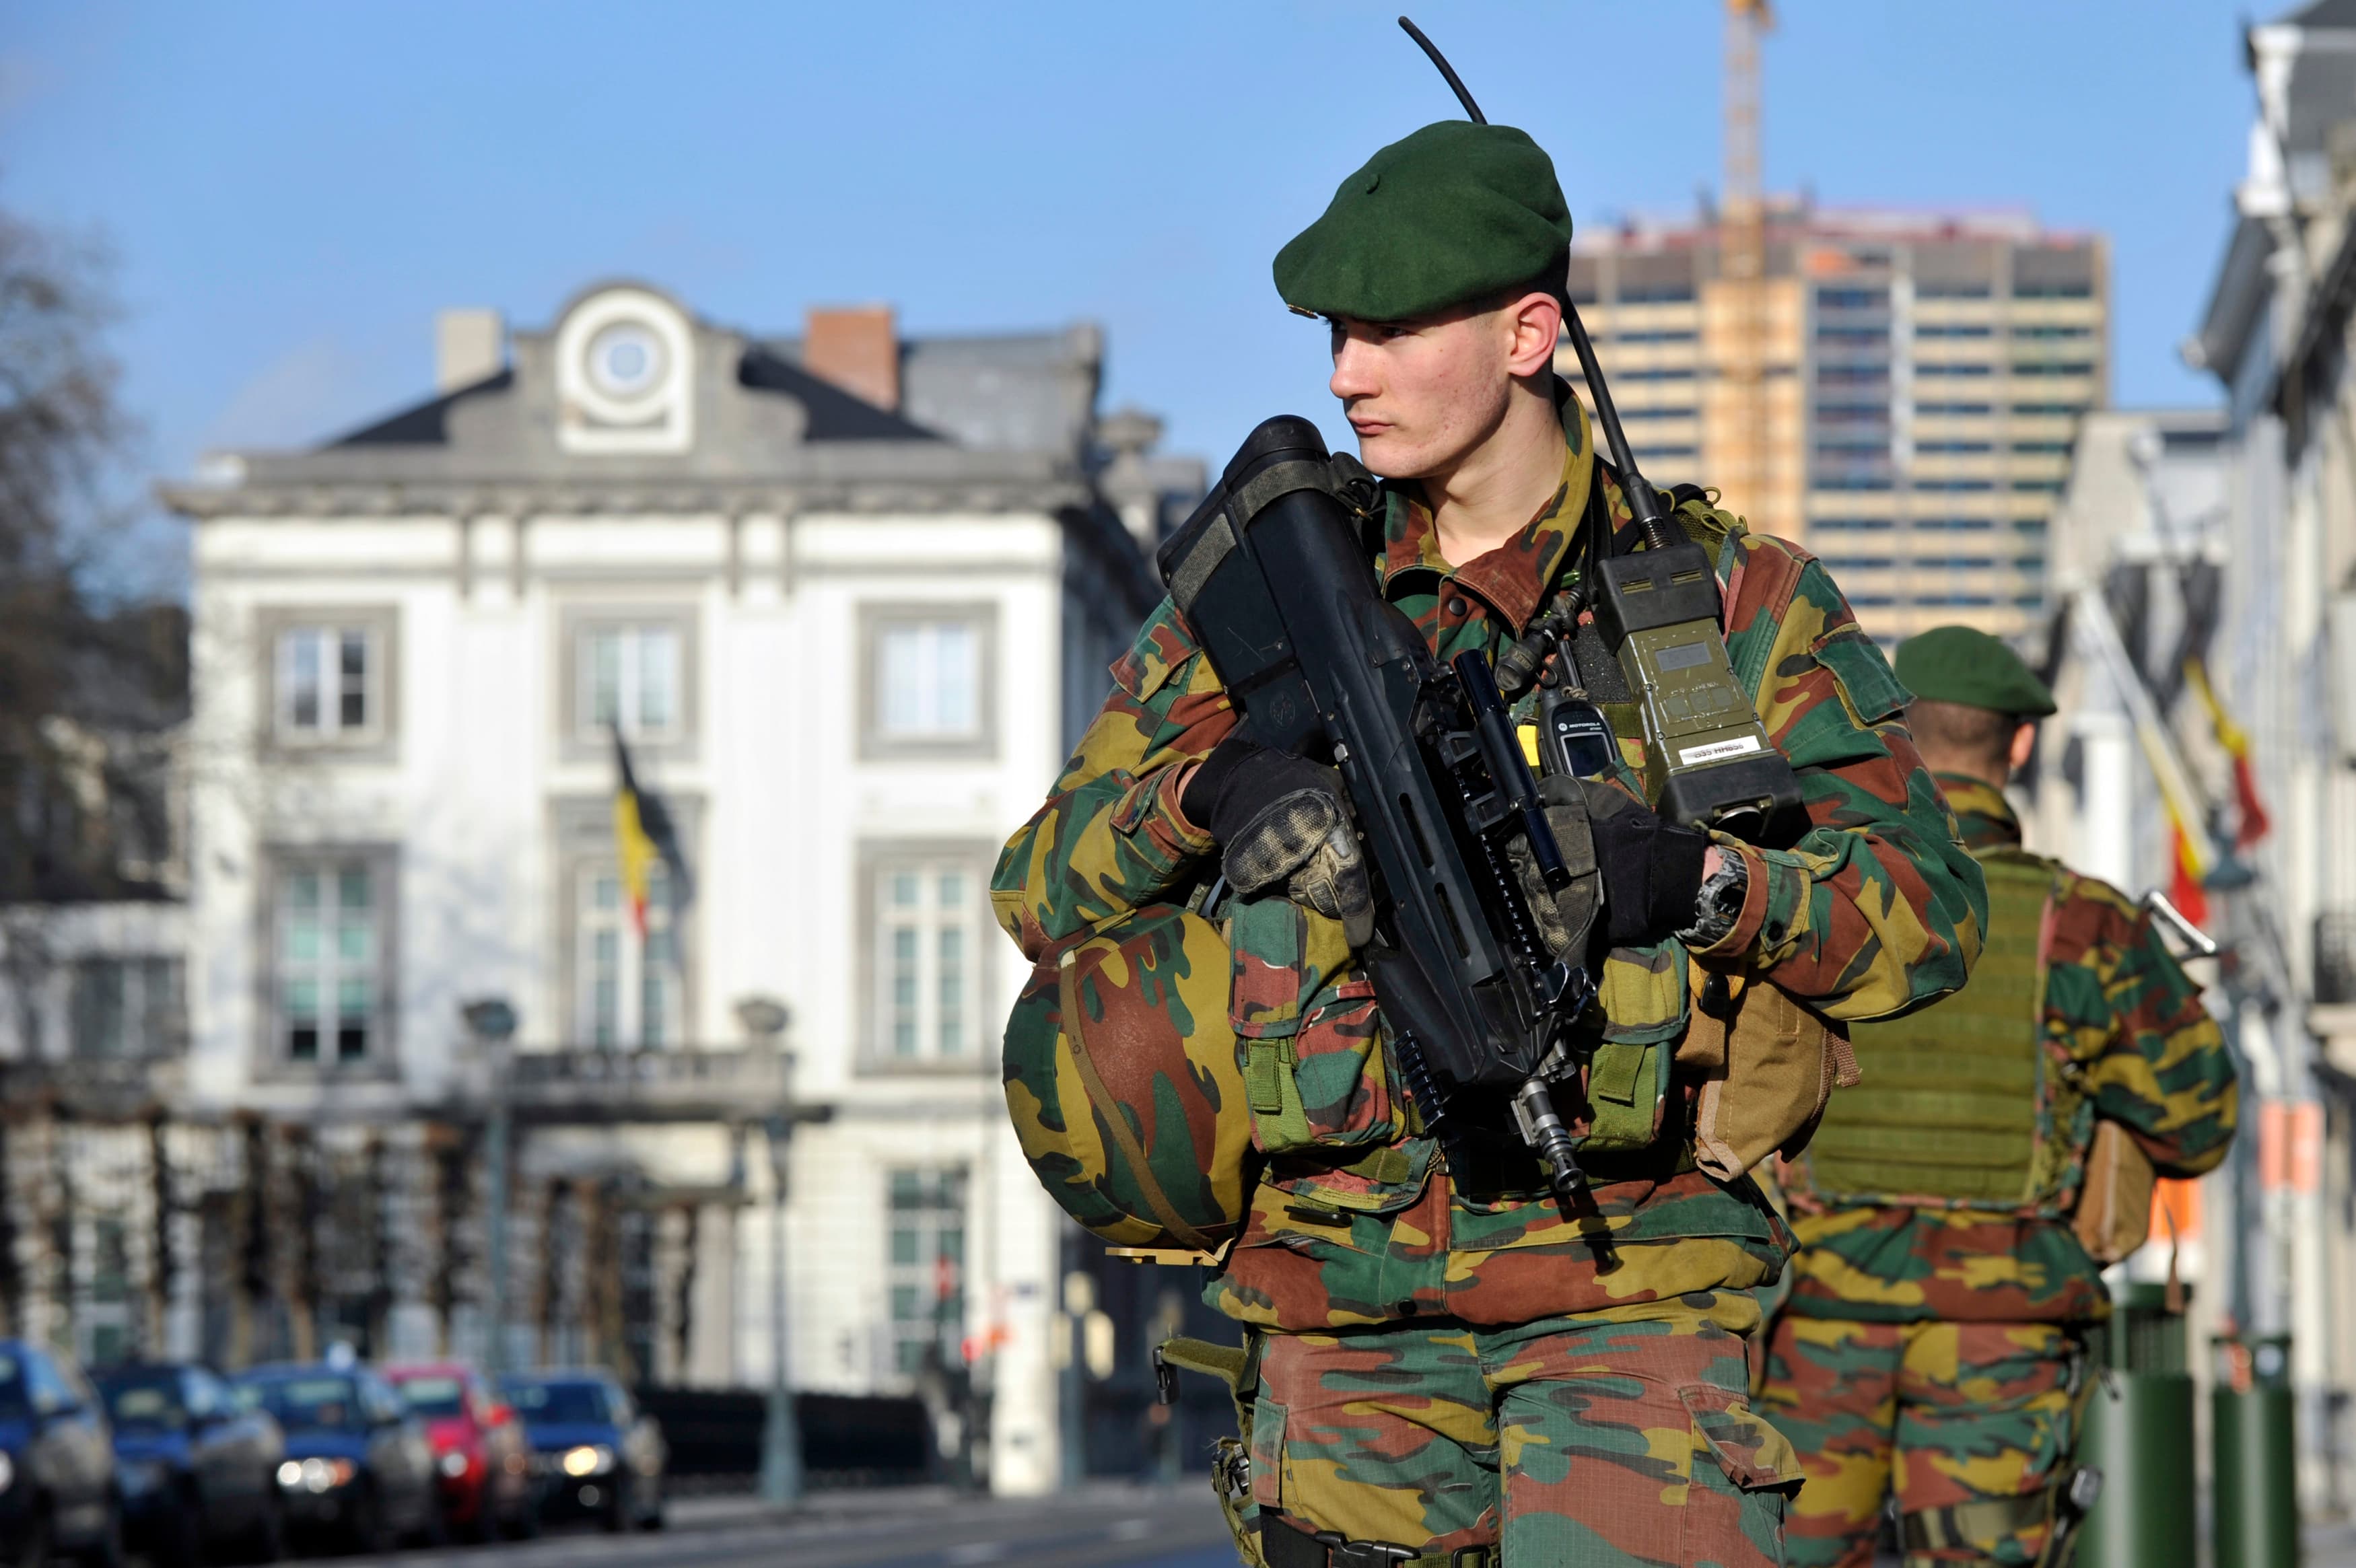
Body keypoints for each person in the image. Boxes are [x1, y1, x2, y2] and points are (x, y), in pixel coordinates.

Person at [993, 120, 1986, 1567]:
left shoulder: (1724, 602)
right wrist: (1204, 794)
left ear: (1529, 333)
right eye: (1338, 334)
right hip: (1337, 1319)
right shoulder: (1264, 603)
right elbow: (1036, 885)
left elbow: (1929, 912)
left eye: (1389, 331)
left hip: (1634, 1298)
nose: (1345, 376)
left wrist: (1705, 885)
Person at [1758, 625, 2240, 1568]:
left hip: (1820, 1316)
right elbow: (2199, 1123)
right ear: (2020, 746)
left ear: (1892, 731)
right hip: (2004, 1334)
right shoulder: (2085, 923)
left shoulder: (1819, 900)